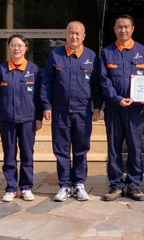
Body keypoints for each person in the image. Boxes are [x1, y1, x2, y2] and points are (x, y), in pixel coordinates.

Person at [41, 21, 102, 202]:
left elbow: (96, 84)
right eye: (71, 33)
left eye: (77, 33)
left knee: (81, 149)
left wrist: (97, 107)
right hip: (60, 111)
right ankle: (65, 185)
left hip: (83, 111)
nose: (74, 36)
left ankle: (79, 183)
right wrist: (46, 106)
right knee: (61, 149)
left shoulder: (91, 56)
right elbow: (46, 82)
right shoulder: (56, 55)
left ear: (84, 36)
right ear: (66, 35)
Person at [0, 34, 44, 203]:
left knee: (27, 154)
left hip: (28, 119)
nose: (16, 48)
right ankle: (11, 188)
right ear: (9, 48)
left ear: (26, 48)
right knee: (9, 154)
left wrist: (39, 117)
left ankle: (26, 187)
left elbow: (39, 96)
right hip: (6, 119)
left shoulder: (33, 70)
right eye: (13, 45)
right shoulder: (1, 70)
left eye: (20, 45)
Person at [99, 14, 144, 202]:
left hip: (135, 110)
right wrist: (117, 99)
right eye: (119, 27)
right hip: (114, 108)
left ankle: (134, 186)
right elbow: (104, 80)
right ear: (114, 29)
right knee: (114, 148)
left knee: (135, 147)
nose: (123, 30)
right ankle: (116, 186)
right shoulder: (107, 52)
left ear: (132, 29)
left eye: (126, 27)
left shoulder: (142, 51)